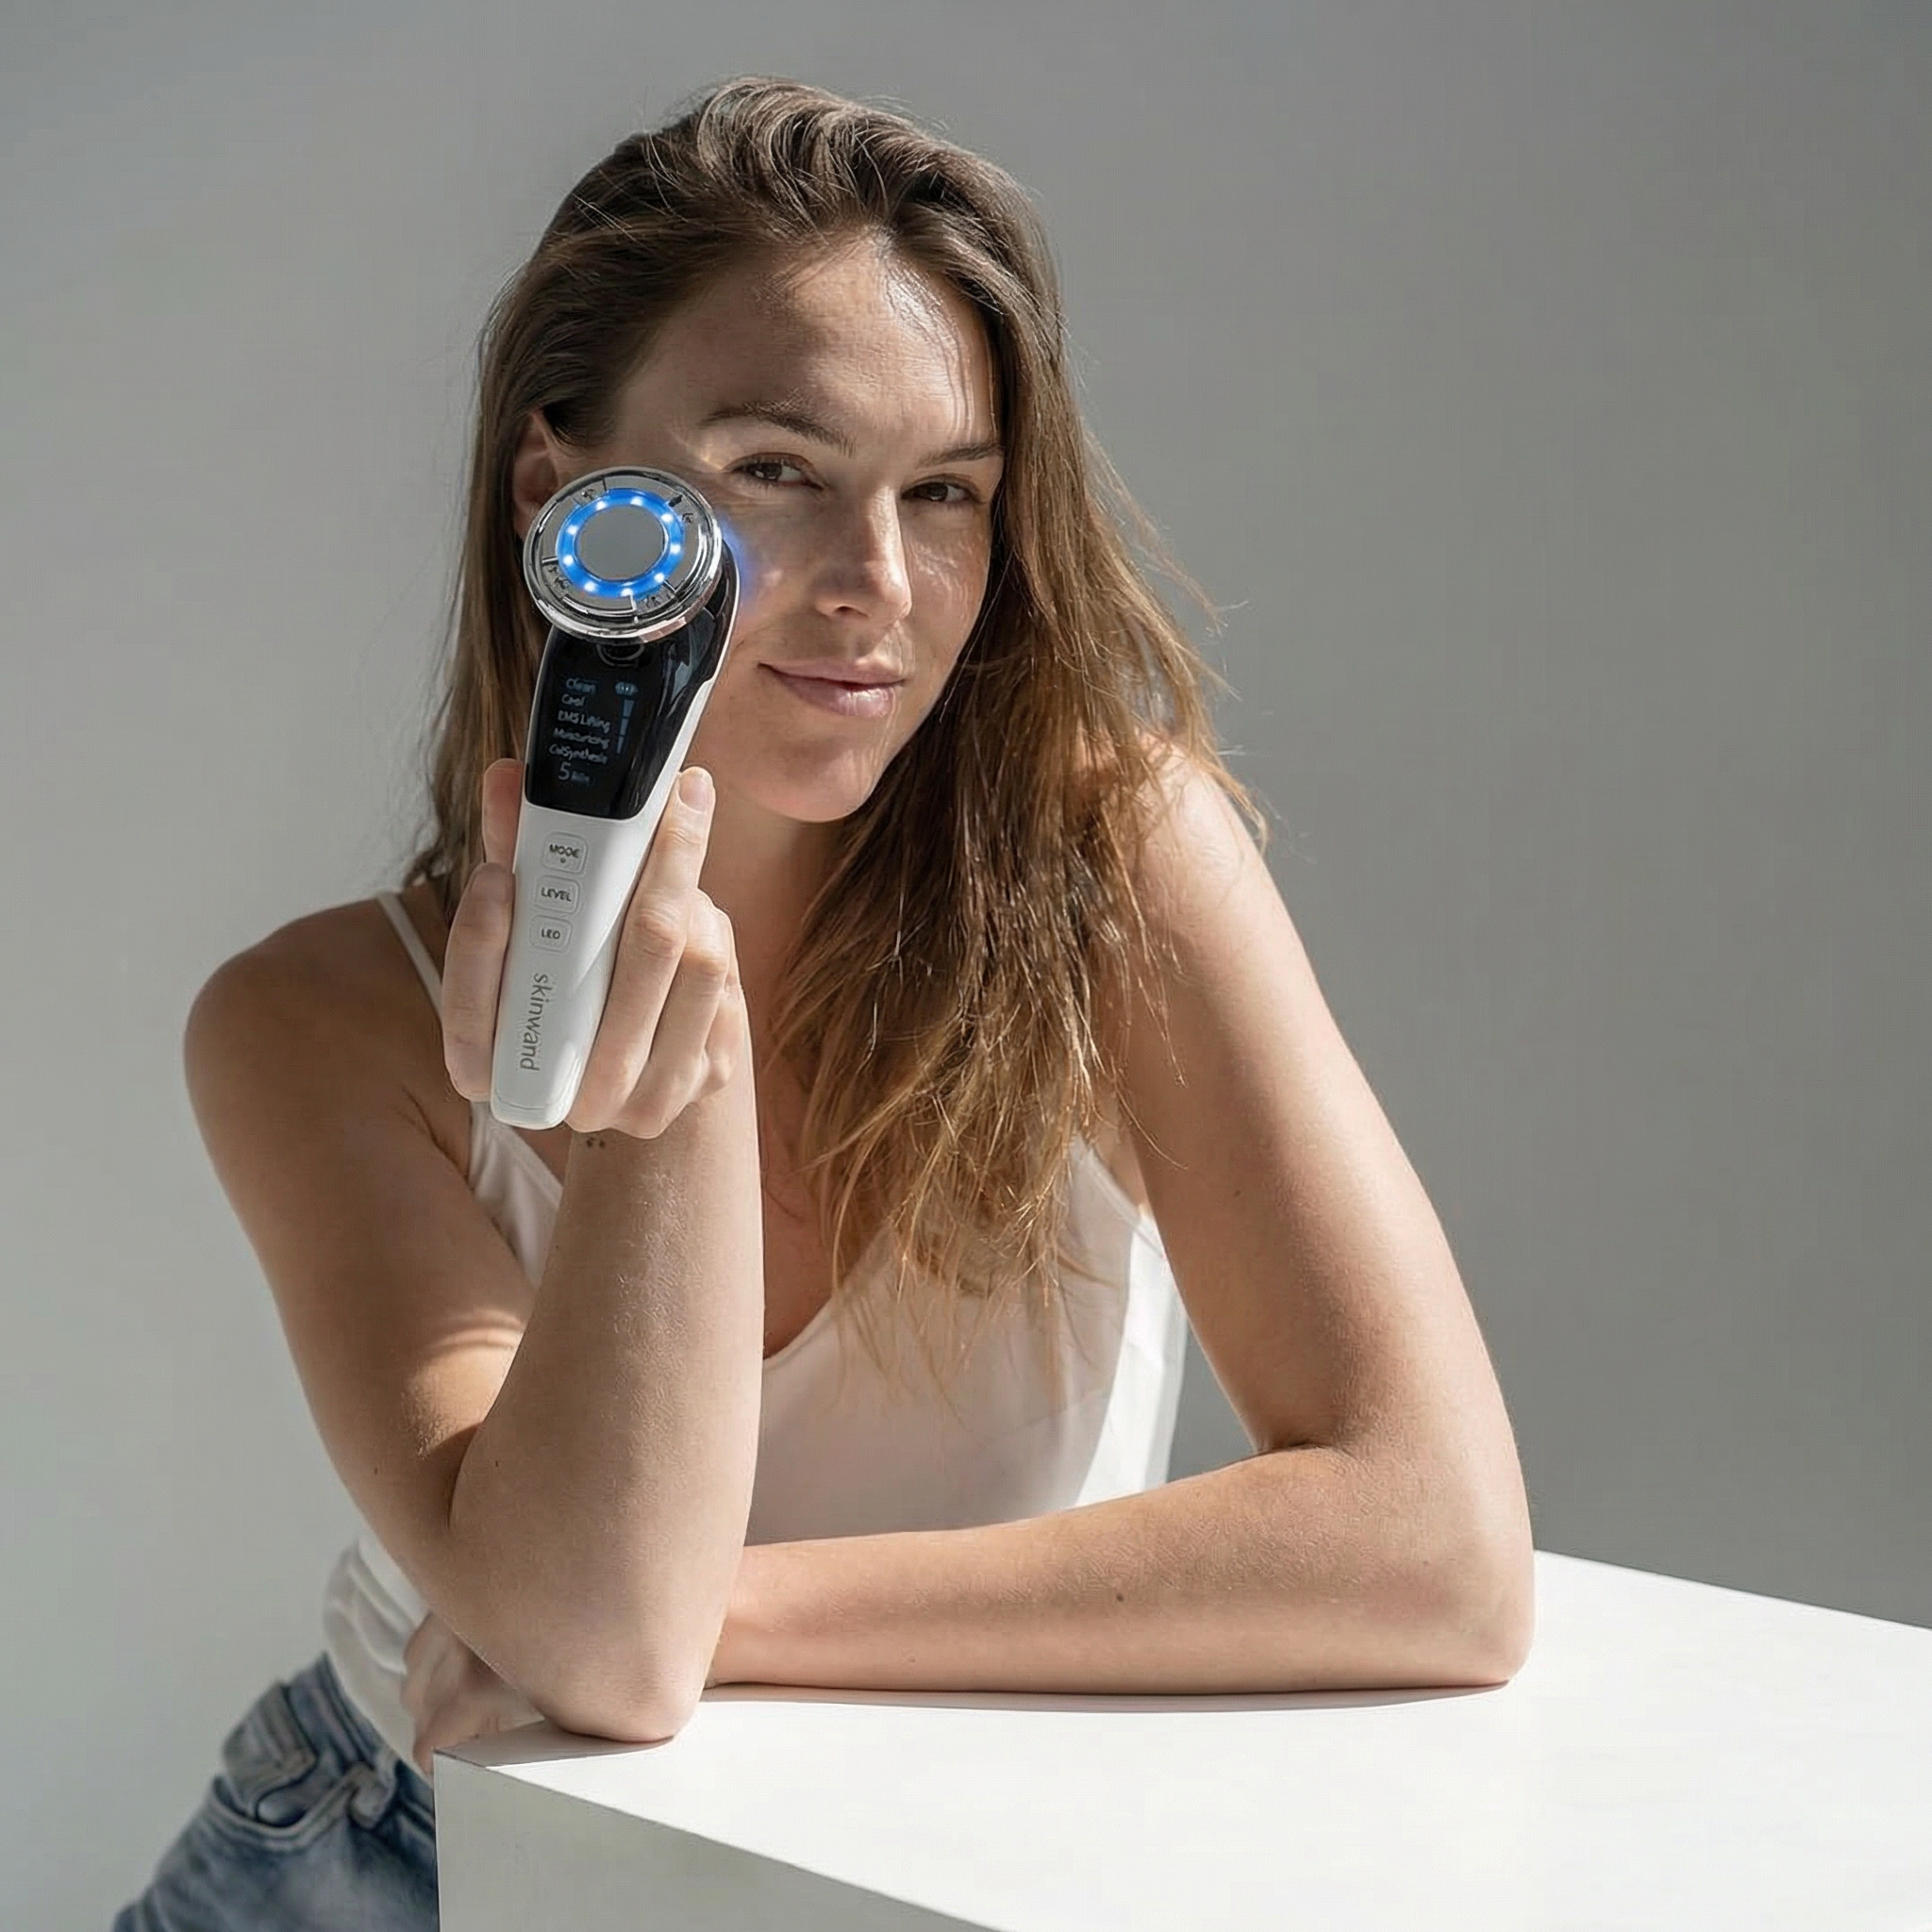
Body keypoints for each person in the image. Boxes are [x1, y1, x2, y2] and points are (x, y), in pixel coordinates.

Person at [115, 73, 1534, 1929]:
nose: (880, 588)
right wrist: (666, 1067)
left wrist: (737, 1620)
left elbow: (1432, 1544)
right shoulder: (316, 1023)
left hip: (904, 1860)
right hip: (407, 1862)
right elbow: (606, 1647)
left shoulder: (1116, 864)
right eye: (777, 469)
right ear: (561, 493)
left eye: (943, 495)